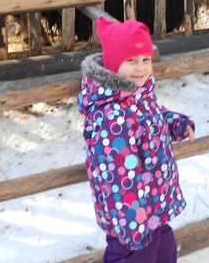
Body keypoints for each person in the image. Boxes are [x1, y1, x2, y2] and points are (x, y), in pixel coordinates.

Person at [78, 16, 195, 263]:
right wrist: (133, 224)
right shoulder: (110, 117)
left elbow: (153, 116)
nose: (141, 68)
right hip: (132, 221)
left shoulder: (138, 94)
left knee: (165, 252)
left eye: (146, 60)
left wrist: (176, 123)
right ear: (112, 65)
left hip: (154, 206)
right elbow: (118, 178)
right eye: (131, 61)